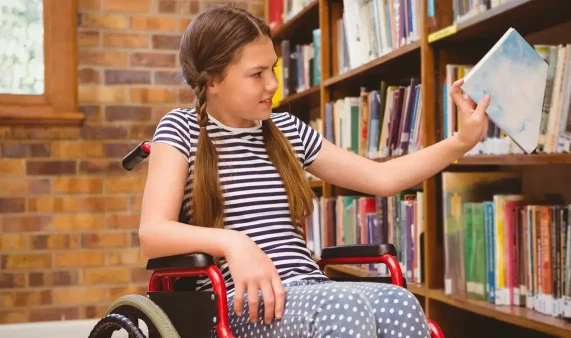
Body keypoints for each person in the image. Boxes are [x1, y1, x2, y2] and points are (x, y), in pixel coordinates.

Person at [139, 4, 490, 338]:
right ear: (213, 80)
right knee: (344, 306)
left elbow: (383, 179)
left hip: (308, 289)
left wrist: (460, 141)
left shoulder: (287, 130)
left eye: (273, 69)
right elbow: (153, 232)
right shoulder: (181, 129)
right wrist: (233, 242)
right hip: (237, 302)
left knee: (401, 303)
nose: (272, 84)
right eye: (257, 74)